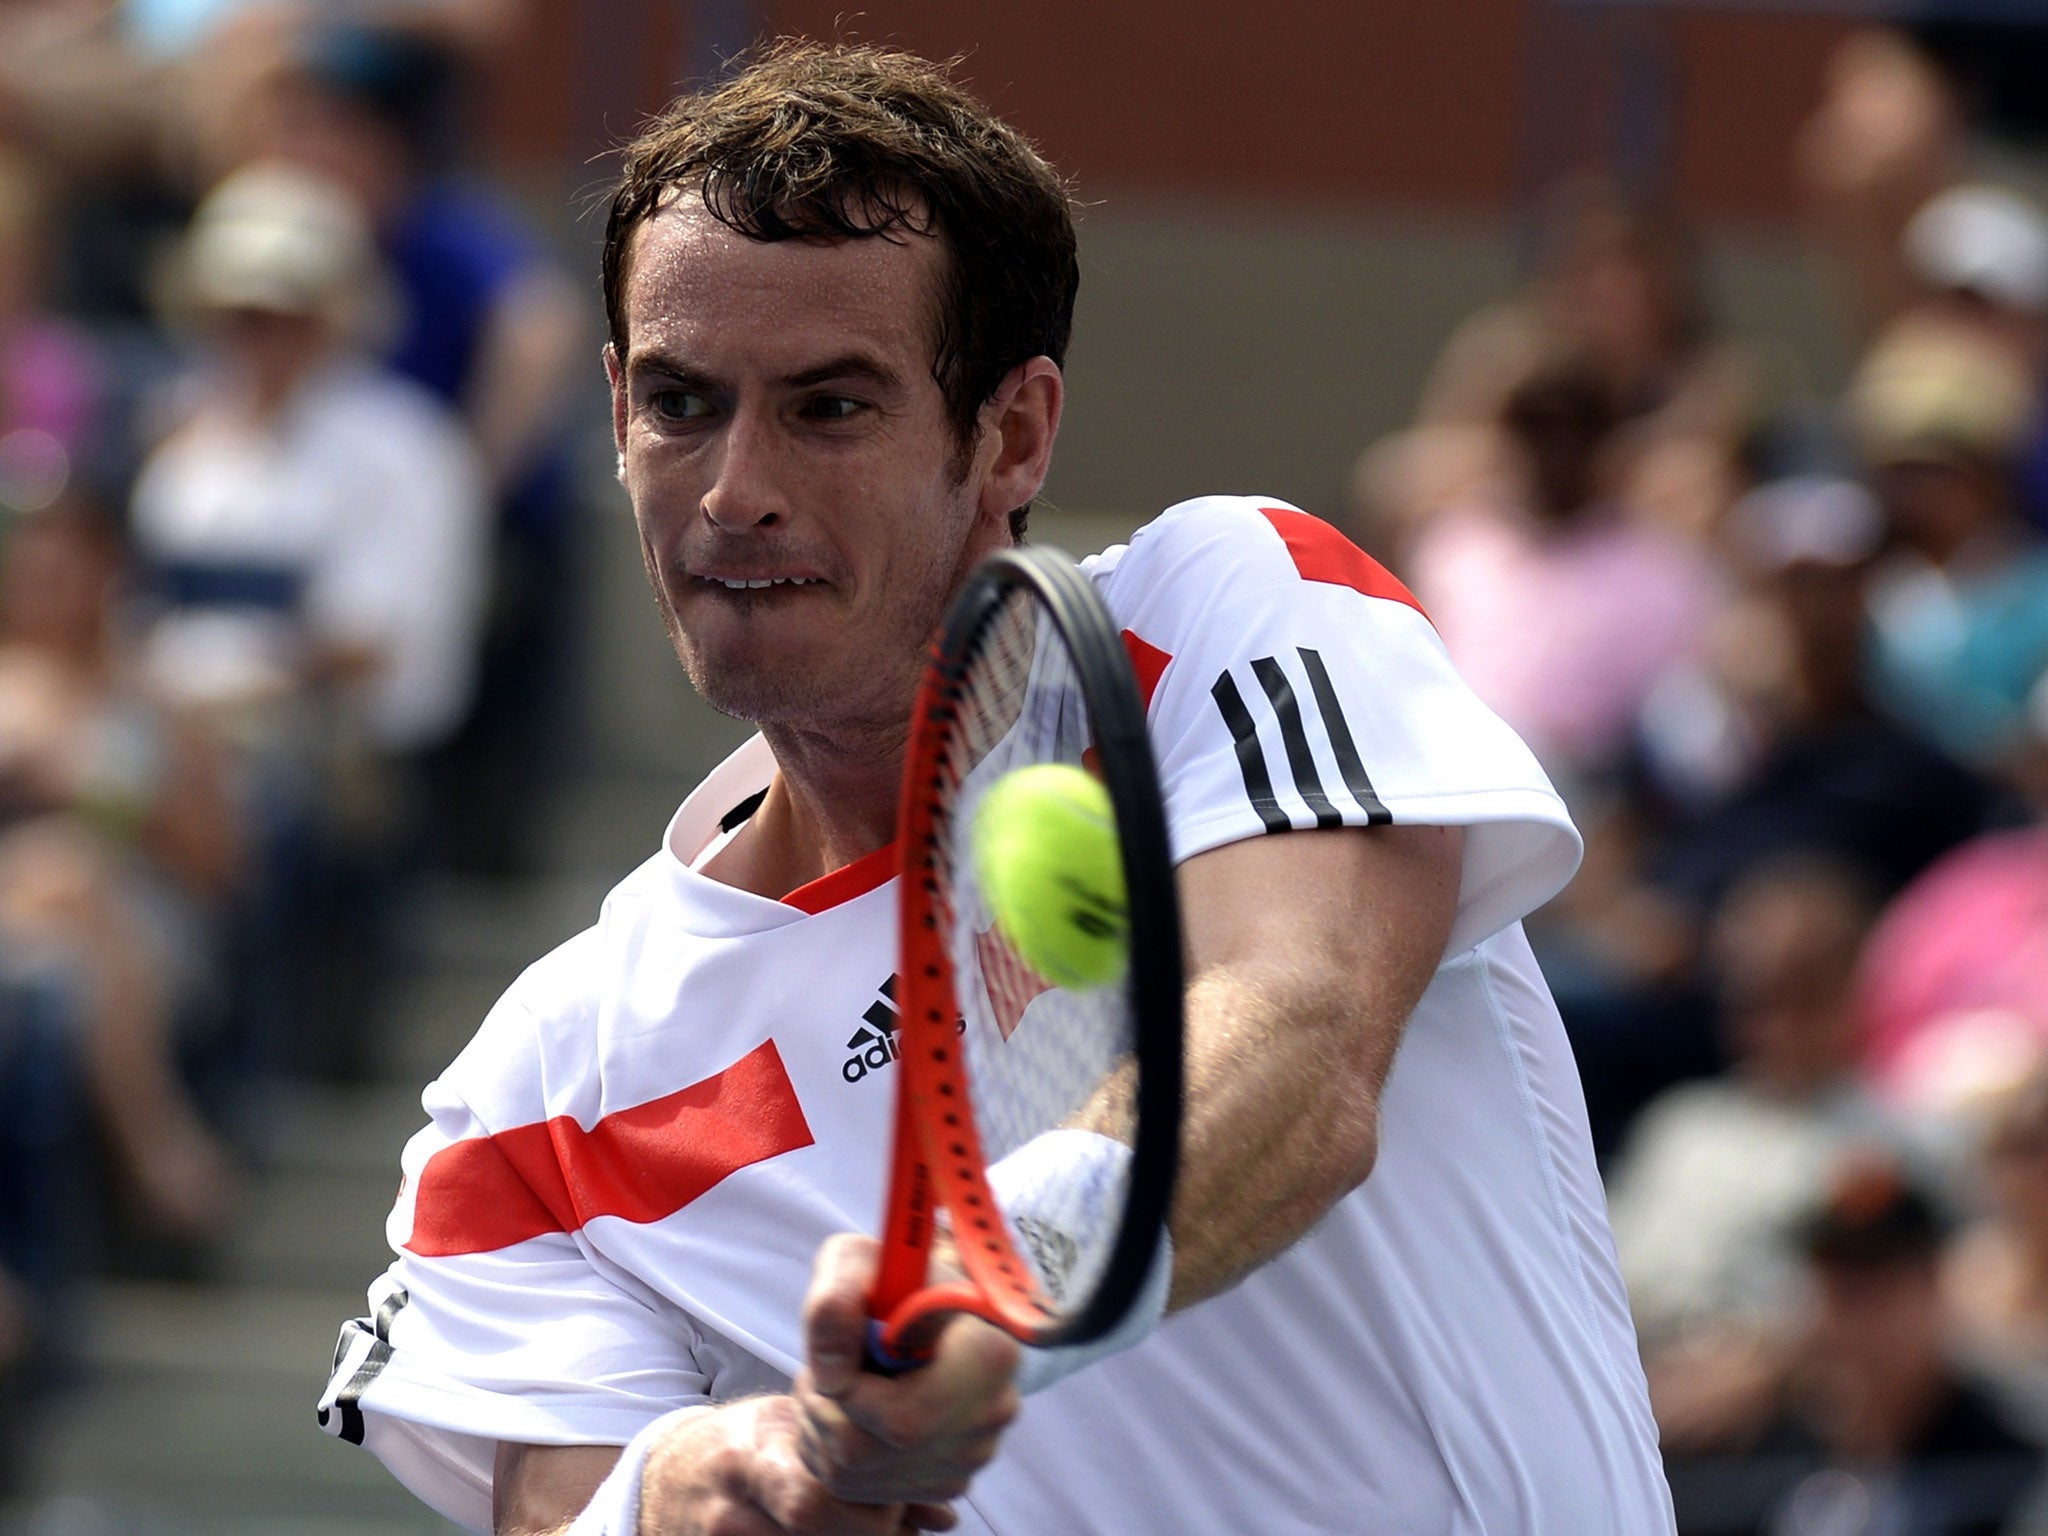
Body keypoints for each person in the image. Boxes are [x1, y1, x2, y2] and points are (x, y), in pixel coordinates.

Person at [317, 42, 1674, 1536]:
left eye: (830, 407)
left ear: (1012, 434)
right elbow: (569, 1508)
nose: (732, 489)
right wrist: (722, 1490)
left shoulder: (1224, 609)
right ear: (617, 406)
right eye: (683, 401)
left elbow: (1302, 1039)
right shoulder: (535, 1097)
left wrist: (990, 1278)